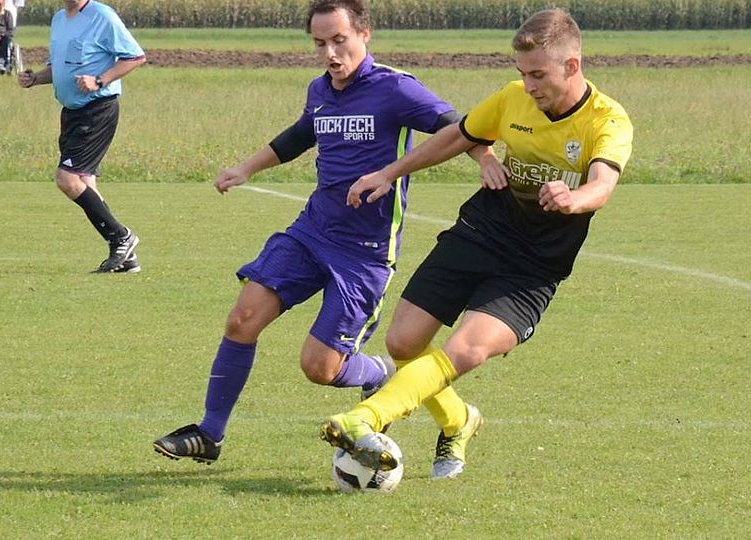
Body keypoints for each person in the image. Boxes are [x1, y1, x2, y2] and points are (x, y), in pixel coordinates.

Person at [151, 0, 494, 464]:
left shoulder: (395, 88)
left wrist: (485, 158)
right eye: (319, 43)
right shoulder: (320, 89)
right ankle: (210, 434)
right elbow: (299, 135)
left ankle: (379, 374)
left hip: (364, 253)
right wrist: (246, 168)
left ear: (364, 34)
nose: (330, 53)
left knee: (319, 368)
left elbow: (457, 126)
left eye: (339, 40)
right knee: (242, 318)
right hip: (311, 232)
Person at [319, 8, 635, 479]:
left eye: (538, 75)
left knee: (467, 349)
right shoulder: (512, 99)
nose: (528, 85)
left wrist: (574, 199)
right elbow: (457, 136)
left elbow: (603, 185)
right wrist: (388, 173)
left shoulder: (607, 120)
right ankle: (459, 421)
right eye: (522, 73)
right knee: (403, 341)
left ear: (572, 66)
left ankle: (366, 417)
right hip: (481, 233)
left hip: (534, 266)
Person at [17, 0, 146, 273]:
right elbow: (60, 67)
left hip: (97, 109)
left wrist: (100, 80)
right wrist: (36, 79)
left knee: (67, 179)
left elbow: (135, 57)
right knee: (85, 182)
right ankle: (126, 258)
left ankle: (121, 236)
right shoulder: (59, 20)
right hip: (72, 112)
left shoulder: (102, 16)